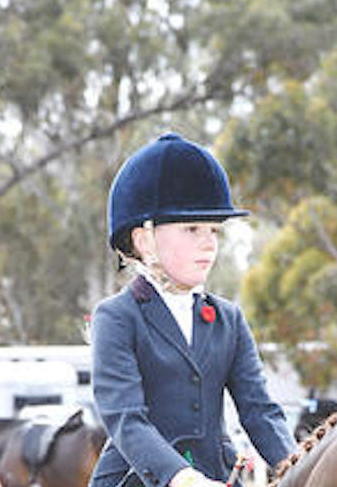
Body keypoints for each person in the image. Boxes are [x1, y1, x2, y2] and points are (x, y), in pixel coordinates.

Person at [89, 133, 296, 487]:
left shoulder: (228, 319)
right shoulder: (116, 317)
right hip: (139, 478)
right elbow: (126, 418)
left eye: (214, 231)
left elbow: (260, 411)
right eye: (192, 229)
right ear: (144, 240)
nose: (208, 244)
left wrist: (300, 466)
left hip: (220, 476)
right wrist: (183, 479)